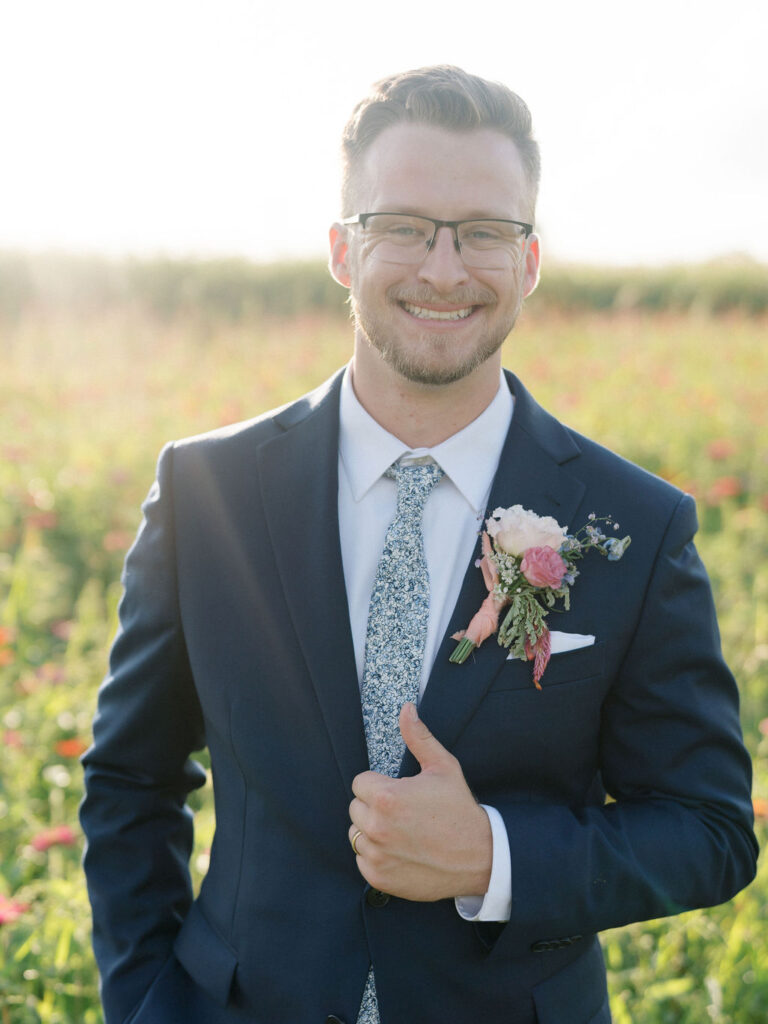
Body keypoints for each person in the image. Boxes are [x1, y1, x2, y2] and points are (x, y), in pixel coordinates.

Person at [80, 66, 758, 1024]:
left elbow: (710, 831)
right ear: (342, 251)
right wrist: (148, 1002)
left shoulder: (635, 526)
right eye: (402, 226)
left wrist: (492, 855)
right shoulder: (209, 494)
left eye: (485, 231)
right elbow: (131, 779)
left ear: (528, 261)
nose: (444, 269)